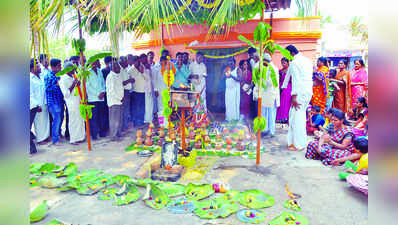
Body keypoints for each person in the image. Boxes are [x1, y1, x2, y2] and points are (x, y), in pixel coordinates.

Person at [282, 45, 313, 151]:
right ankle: (300, 142)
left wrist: (294, 97)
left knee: (296, 118)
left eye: (286, 55)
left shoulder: (295, 62)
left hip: (300, 92)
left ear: (291, 53)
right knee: (298, 116)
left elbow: (296, 80)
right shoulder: (307, 60)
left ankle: (297, 145)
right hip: (308, 92)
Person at [59, 62, 85, 144]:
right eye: (72, 69)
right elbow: (66, 94)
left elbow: (79, 88)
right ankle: (73, 139)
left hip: (78, 101)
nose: (74, 70)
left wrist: (78, 84)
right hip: (71, 103)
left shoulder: (74, 76)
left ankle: (80, 137)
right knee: (73, 120)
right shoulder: (63, 79)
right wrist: (74, 84)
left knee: (80, 119)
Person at [255, 54, 280, 137]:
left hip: (271, 95)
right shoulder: (266, 67)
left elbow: (271, 83)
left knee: (271, 114)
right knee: (264, 113)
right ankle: (264, 130)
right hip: (265, 94)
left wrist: (261, 82)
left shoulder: (273, 69)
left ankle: (270, 132)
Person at [44, 58, 64, 146]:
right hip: (53, 102)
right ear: (53, 67)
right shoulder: (48, 76)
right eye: (59, 66)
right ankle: (55, 140)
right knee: (56, 120)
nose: (61, 67)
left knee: (60, 119)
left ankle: (58, 135)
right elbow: (47, 89)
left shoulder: (59, 75)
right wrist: (57, 85)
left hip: (59, 101)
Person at [86, 59, 107, 140]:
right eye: (94, 62)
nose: (95, 64)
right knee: (93, 117)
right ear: (90, 63)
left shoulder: (99, 71)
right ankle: (94, 135)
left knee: (101, 116)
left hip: (101, 98)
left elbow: (103, 83)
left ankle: (102, 133)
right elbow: (88, 86)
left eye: (97, 62)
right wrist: (97, 94)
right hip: (93, 98)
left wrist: (103, 91)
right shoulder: (87, 72)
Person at [32, 59, 50, 145]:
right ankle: (40, 139)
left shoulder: (41, 76)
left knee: (45, 121)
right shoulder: (30, 78)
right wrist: (36, 105)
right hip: (37, 104)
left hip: (45, 102)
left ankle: (45, 137)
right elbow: (30, 94)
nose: (40, 67)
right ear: (32, 68)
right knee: (39, 122)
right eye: (38, 66)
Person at [106, 59, 125, 141]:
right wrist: (120, 98)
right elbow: (111, 91)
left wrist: (122, 97)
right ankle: (113, 136)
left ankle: (118, 133)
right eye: (118, 67)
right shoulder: (110, 77)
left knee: (119, 119)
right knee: (114, 120)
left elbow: (120, 87)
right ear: (113, 68)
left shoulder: (118, 75)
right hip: (114, 101)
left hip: (119, 101)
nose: (120, 69)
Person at [223, 57, 241, 122]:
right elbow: (222, 78)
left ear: (234, 63)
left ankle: (235, 119)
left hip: (235, 91)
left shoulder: (238, 69)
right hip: (228, 90)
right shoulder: (227, 69)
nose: (230, 64)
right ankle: (228, 118)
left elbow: (239, 79)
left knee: (234, 105)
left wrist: (232, 76)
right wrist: (224, 73)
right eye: (229, 63)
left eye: (231, 63)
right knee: (228, 104)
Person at [130, 57, 146, 127]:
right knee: (136, 108)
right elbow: (134, 79)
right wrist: (140, 71)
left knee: (142, 107)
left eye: (139, 61)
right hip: (136, 91)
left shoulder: (141, 68)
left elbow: (145, 78)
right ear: (134, 62)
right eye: (137, 61)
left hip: (143, 91)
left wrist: (142, 71)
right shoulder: (131, 70)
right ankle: (136, 123)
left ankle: (141, 121)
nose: (139, 63)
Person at [30, 59, 42, 154]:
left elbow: (31, 94)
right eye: (37, 66)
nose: (39, 67)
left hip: (31, 106)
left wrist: (36, 105)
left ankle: (32, 149)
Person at [153, 56, 169, 127]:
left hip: (166, 91)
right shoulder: (156, 70)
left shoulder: (168, 69)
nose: (164, 63)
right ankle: (161, 123)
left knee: (166, 107)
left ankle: (166, 123)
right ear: (160, 62)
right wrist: (155, 90)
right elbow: (154, 80)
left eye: (165, 61)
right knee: (160, 108)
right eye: (162, 61)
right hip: (159, 91)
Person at [120, 56, 134, 132]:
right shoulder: (120, 71)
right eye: (125, 61)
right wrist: (129, 80)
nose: (127, 62)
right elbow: (122, 83)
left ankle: (125, 125)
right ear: (122, 62)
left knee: (127, 110)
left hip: (128, 91)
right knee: (124, 110)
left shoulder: (125, 70)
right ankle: (123, 126)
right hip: (124, 92)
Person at [140, 53, 155, 124]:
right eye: (144, 58)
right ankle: (147, 119)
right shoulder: (141, 66)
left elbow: (151, 76)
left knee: (150, 104)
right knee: (147, 104)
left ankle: (150, 118)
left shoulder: (147, 66)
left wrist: (148, 68)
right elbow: (144, 77)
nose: (145, 59)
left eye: (145, 58)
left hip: (150, 87)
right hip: (145, 88)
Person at [276, 57, 291, 124]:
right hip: (281, 87)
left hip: (288, 88)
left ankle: (286, 117)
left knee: (286, 102)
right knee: (281, 102)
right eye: (282, 63)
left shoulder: (290, 70)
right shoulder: (280, 71)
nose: (283, 64)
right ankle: (280, 117)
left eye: (284, 63)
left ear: (288, 63)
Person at [102, 56, 113, 132]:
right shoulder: (103, 71)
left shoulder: (112, 70)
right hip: (105, 94)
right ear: (107, 63)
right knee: (105, 111)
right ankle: (106, 127)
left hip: (111, 94)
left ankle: (109, 126)